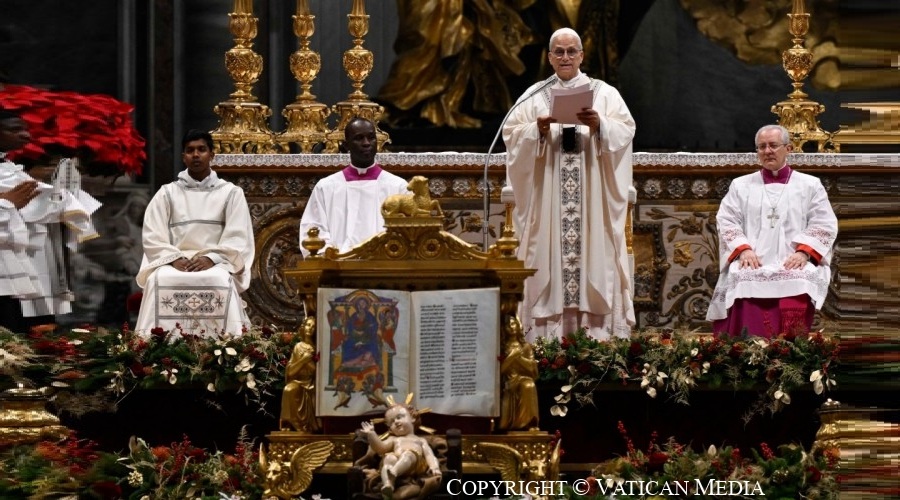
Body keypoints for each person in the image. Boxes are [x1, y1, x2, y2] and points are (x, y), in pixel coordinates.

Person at [503, 27, 636, 341]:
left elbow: (626, 130)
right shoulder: (534, 95)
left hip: (592, 201)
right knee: (544, 258)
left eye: (571, 51)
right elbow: (511, 133)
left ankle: (595, 338)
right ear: (550, 57)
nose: (565, 57)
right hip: (547, 201)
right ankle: (544, 339)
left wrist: (600, 124)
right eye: (559, 52)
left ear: (581, 55)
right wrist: (536, 130)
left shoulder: (604, 93)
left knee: (594, 257)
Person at [706, 125, 838, 338]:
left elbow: (823, 222)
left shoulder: (810, 185)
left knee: (803, 276)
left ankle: (790, 348)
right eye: (762, 147)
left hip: (792, 259)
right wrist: (743, 250)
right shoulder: (741, 185)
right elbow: (727, 220)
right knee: (740, 275)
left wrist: (804, 253)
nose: (767, 151)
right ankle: (749, 347)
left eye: (773, 145)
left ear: (788, 148)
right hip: (753, 259)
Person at [134, 129, 254, 338]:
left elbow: (238, 237)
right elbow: (153, 235)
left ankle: (227, 345)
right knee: (158, 279)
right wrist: (173, 258)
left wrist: (211, 258)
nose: (196, 155)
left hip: (215, 263)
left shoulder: (231, 193)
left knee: (220, 279)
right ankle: (153, 344)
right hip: (175, 261)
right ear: (183, 157)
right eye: (190, 150)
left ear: (212, 155)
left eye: (201, 149)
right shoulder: (167, 193)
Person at [0, 109, 100, 333]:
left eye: (25, 129)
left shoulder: (7, 166)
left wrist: (64, 195)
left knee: (24, 328)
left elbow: (36, 199)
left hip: (21, 256)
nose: (26, 135)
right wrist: (7, 203)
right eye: (15, 129)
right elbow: (31, 201)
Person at [299, 117, 407, 257]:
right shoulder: (326, 187)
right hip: (337, 265)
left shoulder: (398, 187)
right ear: (346, 145)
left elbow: (406, 233)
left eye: (371, 137)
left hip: (384, 264)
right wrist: (333, 256)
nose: (366, 143)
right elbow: (313, 230)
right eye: (359, 138)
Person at [359, 403, 442, 499]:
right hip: (397, 461)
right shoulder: (393, 439)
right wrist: (371, 433)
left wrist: (434, 467)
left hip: (415, 465)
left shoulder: (420, 440)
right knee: (389, 458)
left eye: (399, 417)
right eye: (391, 422)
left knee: (408, 454)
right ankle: (388, 485)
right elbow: (380, 449)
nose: (396, 422)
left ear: (412, 418)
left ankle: (394, 472)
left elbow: (429, 455)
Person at [499, 315, 539, 431]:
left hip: (523, 378)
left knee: (529, 385)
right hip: (507, 380)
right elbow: (500, 370)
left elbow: (533, 369)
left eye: (513, 324)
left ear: (518, 325)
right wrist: (512, 356)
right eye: (507, 325)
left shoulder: (525, 347)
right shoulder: (502, 347)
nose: (511, 327)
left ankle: (529, 423)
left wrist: (519, 358)